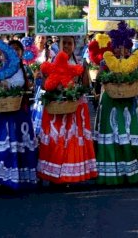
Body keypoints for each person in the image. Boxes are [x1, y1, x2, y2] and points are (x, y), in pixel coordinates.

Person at [37, 36, 97, 185]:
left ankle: (71, 175)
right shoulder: (51, 61)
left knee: (72, 140)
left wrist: (84, 72)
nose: (67, 46)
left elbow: (86, 86)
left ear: (74, 45)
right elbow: (44, 86)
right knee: (56, 140)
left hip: (75, 106)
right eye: (64, 43)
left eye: (70, 43)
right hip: (56, 106)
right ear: (59, 45)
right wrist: (44, 76)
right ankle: (54, 175)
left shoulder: (79, 62)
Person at [94, 27, 138, 186]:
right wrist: (109, 75)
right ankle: (111, 175)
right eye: (117, 46)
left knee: (129, 135)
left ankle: (133, 173)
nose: (120, 50)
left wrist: (134, 78)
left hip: (128, 104)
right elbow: (99, 79)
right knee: (111, 135)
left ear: (129, 47)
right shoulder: (106, 61)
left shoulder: (134, 62)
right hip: (110, 102)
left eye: (124, 46)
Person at [0, 40, 39, 191]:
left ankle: (21, 177)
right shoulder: (0, 68)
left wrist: (14, 87)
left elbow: (30, 87)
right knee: (4, 143)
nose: (14, 51)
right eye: (11, 49)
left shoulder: (26, 69)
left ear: (22, 52)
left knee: (20, 143)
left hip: (20, 112)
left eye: (17, 49)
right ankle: (1, 177)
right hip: (3, 111)